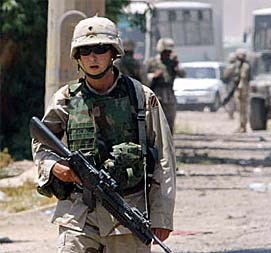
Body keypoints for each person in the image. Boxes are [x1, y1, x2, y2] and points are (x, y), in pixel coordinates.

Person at [31, 16, 176, 253]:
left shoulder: (141, 97)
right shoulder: (65, 99)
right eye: (85, 51)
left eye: (100, 49)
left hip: (126, 214)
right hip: (78, 215)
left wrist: (162, 216)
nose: (92, 57)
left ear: (113, 53)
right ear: (77, 56)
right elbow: (40, 142)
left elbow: (164, 159)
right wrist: (54, 167)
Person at [146, 38, 185, 133]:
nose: (167, 54)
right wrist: (153, 76)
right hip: (155, 93)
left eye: (169, 51)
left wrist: (176, 64)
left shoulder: (172, 63)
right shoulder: (152, 62)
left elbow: (182, 74)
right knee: (154, 123)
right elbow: (143, 77)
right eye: (165, 51)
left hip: (169, 94)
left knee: (169, 121)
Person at [234, 48, 252, 133]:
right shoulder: (241, 65)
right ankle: (241, 126)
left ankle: (243, 126)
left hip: (243, 89)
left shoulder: (245, 66)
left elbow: (243, 78)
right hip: (242, 89)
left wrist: (240, 88)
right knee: (240, 109)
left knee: (243, 109)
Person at [222, 52, 238, 119]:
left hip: (231, 84)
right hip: (235, 84)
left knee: (230, 100)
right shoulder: (238, 66)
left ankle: (230, 114)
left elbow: (225, 76)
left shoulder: (230, 67)